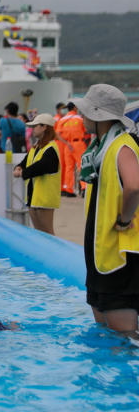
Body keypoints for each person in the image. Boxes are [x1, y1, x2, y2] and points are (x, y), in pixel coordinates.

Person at [73, 84, 139, 335]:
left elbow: (134, 185)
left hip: (119, 251)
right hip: (102, 249)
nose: (81, 116)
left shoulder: (122, 144)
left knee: (124, 336)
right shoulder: (100, 148)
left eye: (85, 112)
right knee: (106, 331)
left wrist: (124, 219)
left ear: (98, 115)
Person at [13, 113, 61, 235]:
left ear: (44, 127)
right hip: (33, 197)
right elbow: (25, 162)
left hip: (44, 199)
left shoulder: (51, 149)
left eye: (35, 126)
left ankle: (53, 254)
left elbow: (41, 166)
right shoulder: (36, 147)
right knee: (40, 233)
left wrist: (23, 173)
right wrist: (18, 167)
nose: (32, 129)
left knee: (48, 233)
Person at [57, 101, 87, 197]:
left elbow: (57, 134)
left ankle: (68, 189)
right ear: (74, 108)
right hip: (78, 144)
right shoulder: (79, 119)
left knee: (68, 168)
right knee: (81, 165)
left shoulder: (62, 120)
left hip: (67, 145)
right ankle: (84, 188)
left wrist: (66, 143)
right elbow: (86, 131)